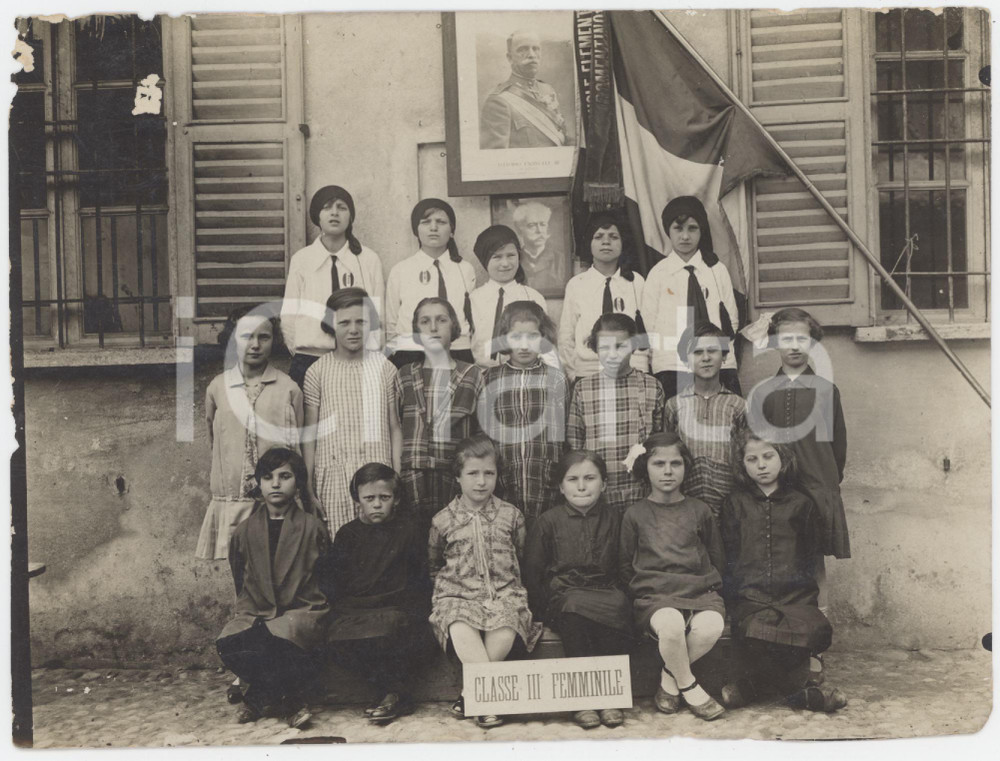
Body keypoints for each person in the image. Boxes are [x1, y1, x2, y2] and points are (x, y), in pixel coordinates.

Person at [747, 307, 848, 685]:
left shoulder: (826, 390)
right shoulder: (763, 393)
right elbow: (759, 446)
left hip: (816, 488)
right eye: (785, 339)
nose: (793, 347)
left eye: (801, 339)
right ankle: (783, 642)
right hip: (779, 492)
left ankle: (815, 649)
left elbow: (837, 448)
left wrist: (824, 487)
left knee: (813, 568)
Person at [719, 429, 847, 713]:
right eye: (752, 459)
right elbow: (727, 557)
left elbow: (811, 560)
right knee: (756, 629)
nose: (761, 465)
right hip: (750, 600)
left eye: (768, 456)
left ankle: (752, 689)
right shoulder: (734, 504)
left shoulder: (801, 504)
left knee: (813, 629)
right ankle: (802, 696)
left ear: (783, 458)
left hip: (794, 600)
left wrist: (814, 603)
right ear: (742, 465)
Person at [428, 435, 542, 730]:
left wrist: (507, 592)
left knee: (505, 623)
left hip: (504, 594)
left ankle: (471, 695)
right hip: (458, 596)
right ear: (457, 477)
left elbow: (520, 554)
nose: (481, 481)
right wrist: (453, 591)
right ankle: (489, 702)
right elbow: (434, 564)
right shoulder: (442, 520)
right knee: (459, 623)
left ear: (497, 476)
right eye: (472, 473)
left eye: (488, 473)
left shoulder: (511, 516)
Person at [216, 447, 329, 728]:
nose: (275, 483)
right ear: (259, 483)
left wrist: (311, 607)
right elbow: (240, 579)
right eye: (267, 477)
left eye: (285, 476)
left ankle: (282, 701)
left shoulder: (312, 528)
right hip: (257, 610)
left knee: (283, 634)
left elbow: (327, 576)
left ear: (298, 482)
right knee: (231, 641)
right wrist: (251, 609)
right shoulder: (244, 531)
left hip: (302, 610)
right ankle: (266, 693)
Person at [619, 432, 726, 721]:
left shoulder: (699, 510)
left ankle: (670, 678)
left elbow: (717, 556)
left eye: (675, 464)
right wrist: (644, 591)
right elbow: (625, 565)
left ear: (685, 467)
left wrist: (709, 587)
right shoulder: (635, 514)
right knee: (671, 625)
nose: (668, 471)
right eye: (659, 464)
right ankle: (691, 688)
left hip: (699, 592)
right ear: (646, 467)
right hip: (655, 595)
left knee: (711, 626)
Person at [523, 450, 632, 730]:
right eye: (572, 479)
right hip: (565, 596)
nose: (581, 486)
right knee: (574, 610)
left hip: (605, 590)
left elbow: (624, 563)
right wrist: (542, 610)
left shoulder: (615, 518)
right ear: (561, 486)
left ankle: (609, 697)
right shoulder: (548, 521)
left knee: (618, 604)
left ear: (604, 484)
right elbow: (534, 573)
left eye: (590, 478)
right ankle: (582, 699)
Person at [323, 463, 434, 724]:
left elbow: (419, 581)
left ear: (395, 499)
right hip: (357, 609)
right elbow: (336, 583)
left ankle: (391, 695)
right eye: (369, 498)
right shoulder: (347, 534)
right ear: (356, 499)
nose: (376, 505)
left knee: (397, 630)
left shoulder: (408, 530)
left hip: (396, 607)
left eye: (384, 498)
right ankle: (392, 693)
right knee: (337, 636)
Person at [197, 306, 302, 560]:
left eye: (263, 337)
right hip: (234, 497)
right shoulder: (218, 387)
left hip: (276, 498)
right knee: (241, 567)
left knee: (279, 564)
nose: (255, 344)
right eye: (246, 337)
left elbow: (297, 444)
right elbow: (215, 440)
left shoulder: (288, 388)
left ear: (273, 340)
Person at [302, 288, 401, 536]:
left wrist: (397, 476)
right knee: (341, 547)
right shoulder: (318, 371)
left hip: (377, 475)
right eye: (344, 322)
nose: (354, 329)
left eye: (361, 321)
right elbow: (310, 434)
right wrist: (308, 484)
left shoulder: (385, 368)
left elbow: (395, 427)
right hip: (333, 475)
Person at [281, 185, 386, 388]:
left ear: (351, 216)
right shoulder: (302, 259)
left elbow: (377, 314)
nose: (335, 213)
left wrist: (370, 353)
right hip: (310, 357)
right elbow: (289, 315)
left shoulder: (368, 259)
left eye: (342, 207)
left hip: (357, 358)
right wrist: (304, 348)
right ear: (317, 216)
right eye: (327, 207)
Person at [393, 297, 484, 530]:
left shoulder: (472, 375)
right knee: (415, 539)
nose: (433, 328)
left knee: (453, 535)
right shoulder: (403, 375)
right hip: (412, 474)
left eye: (441, 320)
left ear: (453, 327)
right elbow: (395, 427)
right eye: (425, 321)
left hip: (453, 474)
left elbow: (481, 433)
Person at [478, 301, 567, 529]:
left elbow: (565, 432)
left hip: (546, 474)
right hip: (505, 475)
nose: (525, 345)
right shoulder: (489, 378)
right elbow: (482, 433)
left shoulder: (556, 378)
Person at [642, 196, 740, 400]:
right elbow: (648, 324)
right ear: (668, 231)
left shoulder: (716, 270)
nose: (685, 236)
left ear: (701, 230)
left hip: (716, 364)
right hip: (672, 365)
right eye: (678, 229)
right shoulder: (658, 273)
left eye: (692, 228)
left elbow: (731, 319)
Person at [567, 313, 664, 516]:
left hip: (641, 494)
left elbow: (658, 441)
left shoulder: (651, 386)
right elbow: (576, 444)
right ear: (594, 347)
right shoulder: (583, 388)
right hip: (598, 496)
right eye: (604, 347)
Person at [664, 323, 747, 517]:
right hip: (686, 501)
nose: (706, 358)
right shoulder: (674, 405)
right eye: (697, 352)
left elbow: (745, 455)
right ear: (686, 360)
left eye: (712, 351)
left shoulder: (739, 405)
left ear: (725, 356)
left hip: (729, 501)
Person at [384, 199, 477, 367]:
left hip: (458, 350)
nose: (433, 228)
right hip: (412, 351)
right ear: (416, 230)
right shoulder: (401, 270)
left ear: (452, 230)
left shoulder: (465, 269)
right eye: (426, 222)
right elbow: (391, 321)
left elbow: (471, 315)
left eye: (441, 222)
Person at [559, 212, 647, 380]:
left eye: (613, 237)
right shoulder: (577, 284)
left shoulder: (636, 282)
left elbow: (648, 330)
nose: (606, 242)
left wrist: (641, 366)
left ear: (623, 243)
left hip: (632, 369)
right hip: (588, 370)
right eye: (598, 237)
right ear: (589, 243)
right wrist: (573, 373)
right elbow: (566, 337)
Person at [468, 224, 549, 368]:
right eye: (497, 257)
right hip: (480, 375)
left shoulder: (533, 297)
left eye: (511, 255)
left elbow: (544, 344)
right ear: (485, 261)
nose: (505, 263)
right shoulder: (473, 299)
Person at [479, 29, 569, 150]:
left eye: (536, 49)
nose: (532, 55)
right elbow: (496, 159)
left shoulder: (547, 90)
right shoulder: (498, 101)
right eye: (523, 49)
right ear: (510, 58)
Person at [510, 201, 564, 294]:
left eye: (543, 224)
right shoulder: (513, 260)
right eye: (532, 225)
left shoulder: (560, 259)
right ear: (519, 229)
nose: (539, 231)